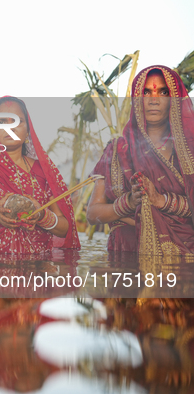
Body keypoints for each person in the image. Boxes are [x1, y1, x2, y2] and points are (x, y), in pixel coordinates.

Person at [87, 65, 194, 255]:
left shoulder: (189, 150)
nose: (154, 100)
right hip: (127, 256)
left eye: (163, 92)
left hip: (185, 255)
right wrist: (129, 201)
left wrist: (161, 200)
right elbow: (93, 214)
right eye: (146, 92)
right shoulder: (117, 149)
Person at [0, 97, 79, 254]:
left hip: (37, 270)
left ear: (28, 130)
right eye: (2, 122)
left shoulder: (44, 172)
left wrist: (42, 216)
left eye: (17, 122)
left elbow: (65, 229)